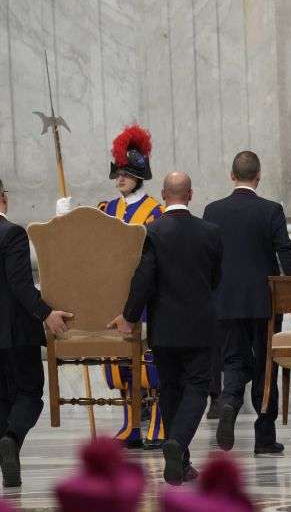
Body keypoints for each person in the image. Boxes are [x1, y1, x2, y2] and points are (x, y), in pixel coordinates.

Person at [109, 172, 223, 485]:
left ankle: (181, 463)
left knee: (170, 390)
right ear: (190, 194)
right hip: (200, 325)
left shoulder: (152, 232)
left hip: (165, 328)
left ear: (163, 194)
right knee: (198, 387)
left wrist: (129, 317)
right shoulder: (211, 232)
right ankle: (177, 444)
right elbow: (216, 277)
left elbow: (143, 279)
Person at [203, 151, 291, 456]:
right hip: (264, 301)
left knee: (233, 359)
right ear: (258, 176)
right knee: (265, 365)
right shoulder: (271, 210)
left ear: (232, 176)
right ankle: (264, 435)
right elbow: (285, 252)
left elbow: (208, 257)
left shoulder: (212, 211)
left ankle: (230, 399)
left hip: (224, 301)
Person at [88, 124, 166, 449]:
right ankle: (131, 423)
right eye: (117, 173)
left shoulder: (155, 211)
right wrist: (66, 218)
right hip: (113, 295)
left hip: (144, 296)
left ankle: (158, 422)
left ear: (138, 174)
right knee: (120, 365)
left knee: (149, 363)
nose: (119, 178)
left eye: (125, 173)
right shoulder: (105, 209)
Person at [0, 179, 72, 487]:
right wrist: (46, 313)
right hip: (16, 333)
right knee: (29, 393)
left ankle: (7, 450)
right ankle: (12, 440)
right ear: (3, 197)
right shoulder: (12, 233)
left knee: (2, 399)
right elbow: (20, 284)